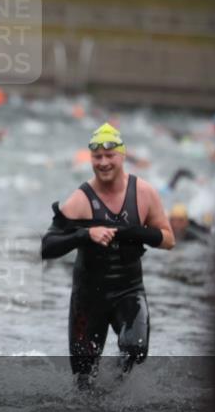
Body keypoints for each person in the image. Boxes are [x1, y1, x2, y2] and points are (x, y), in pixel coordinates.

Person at [41, 123, 174, 386]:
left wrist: (129, 232)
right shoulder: (80, 200)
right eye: (97, 157)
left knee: (135, 350)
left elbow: (168, 239)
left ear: (122, 156)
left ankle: (117, 393)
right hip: (88, 298)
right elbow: (47, 246)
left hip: (129, 291)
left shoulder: (144, 193)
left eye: (109, 156)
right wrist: (84, 234)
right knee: (83, 377)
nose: (103, 163)